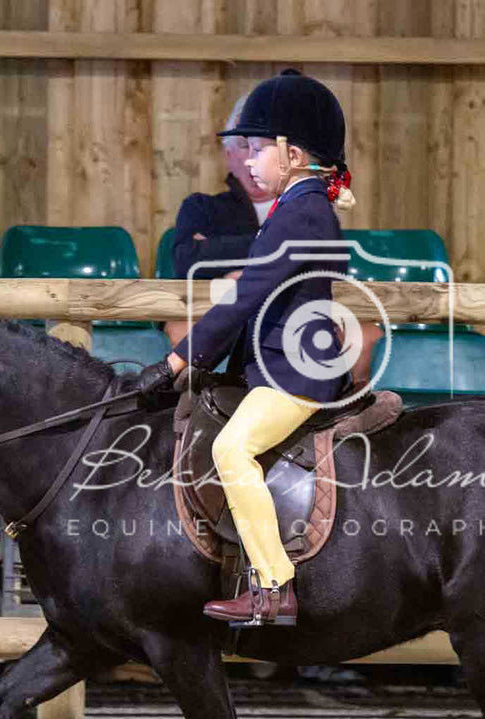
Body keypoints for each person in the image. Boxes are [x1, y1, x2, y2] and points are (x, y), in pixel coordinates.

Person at [137, 69, 356, 627]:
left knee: (231, 451)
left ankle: (274, 585)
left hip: (294, 374)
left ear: (294, 153)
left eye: (259, 149)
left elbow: (243, 298)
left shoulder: (303, 212)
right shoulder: (296, 207)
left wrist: (177, 360)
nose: (250, 161)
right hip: (275, 363)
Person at [164, 96, 277, 345]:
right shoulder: (201, 207)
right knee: (182, 327)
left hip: (286, 309)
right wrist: (274, 247)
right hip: (211, 307)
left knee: (364, 331)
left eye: (262, 145)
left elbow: (318, 260)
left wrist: (219, 252)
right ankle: (194, 386)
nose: (252, 155)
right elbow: (188, 260)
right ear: (229, 154)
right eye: (243, 144)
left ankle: (360, 385)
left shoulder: (303, 206)